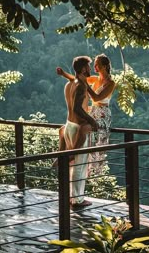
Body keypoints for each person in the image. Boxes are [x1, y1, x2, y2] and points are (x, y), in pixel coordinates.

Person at [57, 53, 115, 174]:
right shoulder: (96, 78)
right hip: (92, 112)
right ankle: (61, 155)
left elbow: (96, 98)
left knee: (83, 129)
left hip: (103, 115)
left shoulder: (111, 83)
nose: (94, 67)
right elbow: (77, 79)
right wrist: (63, 74)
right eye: (93, 64)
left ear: (104, 66)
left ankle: (72, 154)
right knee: (65, 128)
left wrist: (85, 84)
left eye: (97, 64)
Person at [61, 55, 98, 207]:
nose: (90, 69)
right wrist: (92, 120)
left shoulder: (70, 84)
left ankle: (72, 196)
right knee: (80, 165)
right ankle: (77, 199)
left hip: (69, 126)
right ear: (83, 69)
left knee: (74, 164)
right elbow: (77, 108)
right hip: (77, 128)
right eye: (89, 67)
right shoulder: (81, 86)